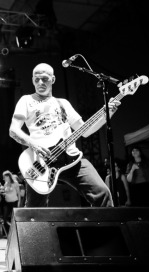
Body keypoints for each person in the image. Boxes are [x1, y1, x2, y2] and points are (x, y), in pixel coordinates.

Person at [9, 63, 120, 208]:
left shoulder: (63, 104)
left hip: (71, 159)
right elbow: (13, 130)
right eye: (36, 79)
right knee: (35, 210)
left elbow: (84, 130)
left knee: (102, 194)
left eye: (44, 79)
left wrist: (107, 114)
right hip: (41, 162)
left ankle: (106, 230)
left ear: (53, 79)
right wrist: (33, 144)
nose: (40, 83)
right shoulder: (26, 100)